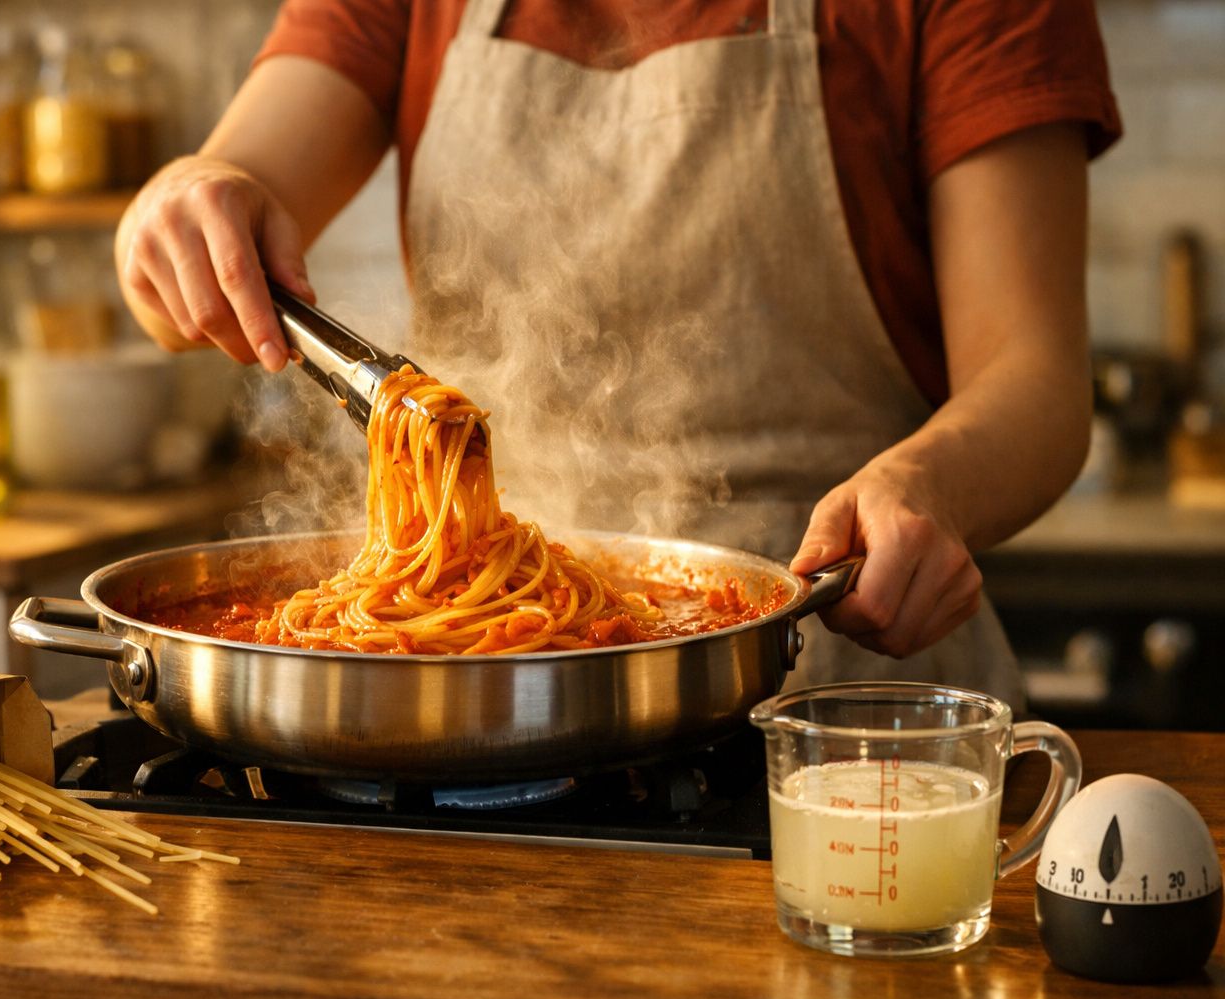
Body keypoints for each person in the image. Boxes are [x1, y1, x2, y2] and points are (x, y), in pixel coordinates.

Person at [115, 0, 1120, 705]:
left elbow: (1034, 384)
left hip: (836, 668)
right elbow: (190, 272)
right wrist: (184, 204)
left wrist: (925, 483)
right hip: (468, 707)